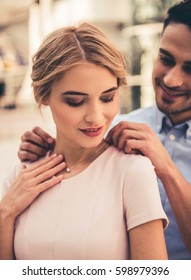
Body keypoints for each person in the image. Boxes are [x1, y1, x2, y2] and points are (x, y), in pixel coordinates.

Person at [18, 0, 191, 260]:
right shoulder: (113, 127)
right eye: (165, 60)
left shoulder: (135, 164)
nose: (171, 79)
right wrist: (51, 145)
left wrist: (166, 168)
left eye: (190, 69)